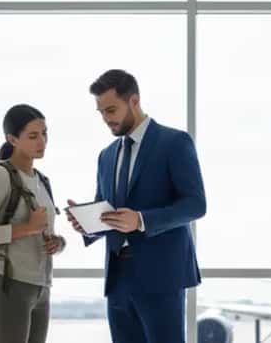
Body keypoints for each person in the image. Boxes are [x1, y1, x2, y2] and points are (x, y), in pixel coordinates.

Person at [65, 69, 206, 343]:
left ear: (134, 101)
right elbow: (107, 213)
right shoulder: (106, 156)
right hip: (118, 280)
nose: (106, 118)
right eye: (101, 112)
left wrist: (141, 220)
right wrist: (88, 225)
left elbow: (195, 205)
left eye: (111, 109)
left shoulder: (174, 142)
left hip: (161, 278)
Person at [0, 104, 65, 343]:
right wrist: (27, 228)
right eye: (33, 136)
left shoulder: (42, 180)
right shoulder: (0, 175)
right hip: (10, 286)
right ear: (12, 139)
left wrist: (58, 243)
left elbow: (45, 231)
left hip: (41, 286)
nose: (41, 141)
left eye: (44, 133)